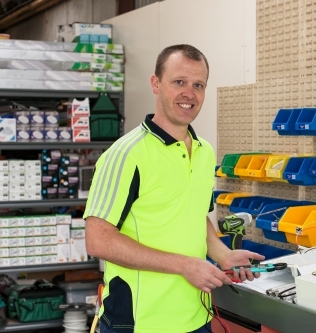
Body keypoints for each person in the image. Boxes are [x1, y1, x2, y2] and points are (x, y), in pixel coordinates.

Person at [84, 44, 265, 333]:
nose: (189, 94)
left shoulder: (205, 151)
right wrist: (185, 266)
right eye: (179, 82)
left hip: (196, 317)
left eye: (198, 85)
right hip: (139, 323)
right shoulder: (126, 154)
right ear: (156, 84)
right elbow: (99, 241)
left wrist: (221, 254)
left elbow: (193, 216)